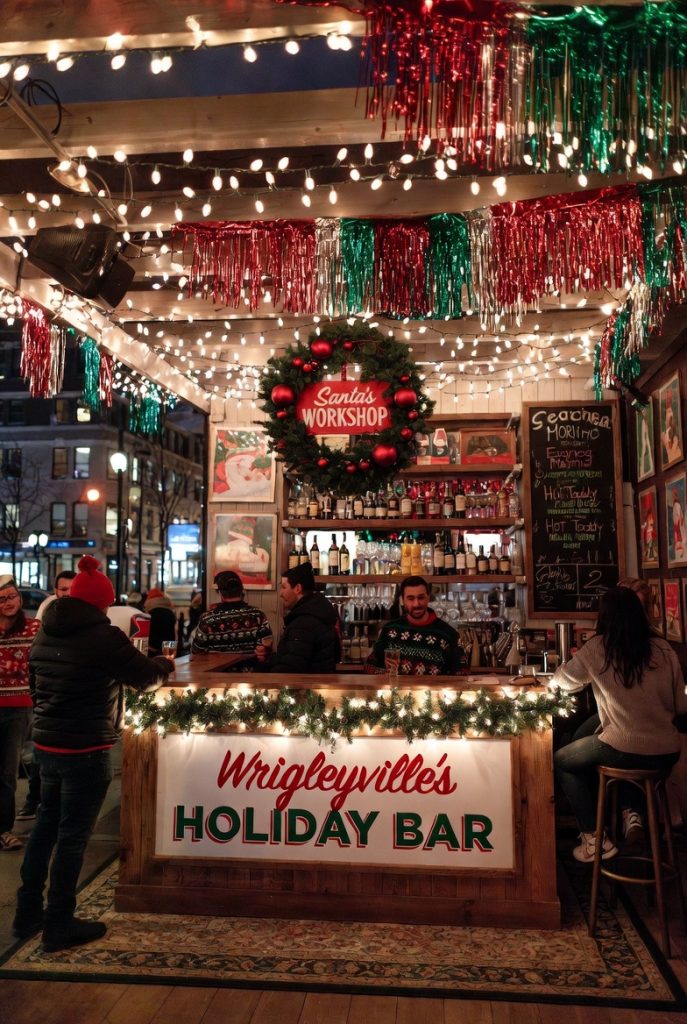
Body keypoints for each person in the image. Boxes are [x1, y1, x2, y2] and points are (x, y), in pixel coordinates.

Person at [13, 555, 172, 951]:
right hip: (87, 747)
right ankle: (59, 924)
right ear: (102, 603)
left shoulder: (45, 631)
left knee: (45, 829)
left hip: (47, 745)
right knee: (72, 837)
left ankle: (27, 912)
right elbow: (147, 679)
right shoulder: (103, 636)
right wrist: (163, 664)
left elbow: (34, 682)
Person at [551, 587, 687, 864]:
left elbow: (561, 683)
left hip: (625, 746)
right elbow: (681, 705)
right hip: (668, 751)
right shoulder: (663, 648)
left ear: (605, 616)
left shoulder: (598, 647)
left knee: (563, 760)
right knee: (587, 738)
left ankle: (594, 839)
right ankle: (629, 814)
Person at [19, 571, 78, 821]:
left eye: (71, 588)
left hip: (72, 693)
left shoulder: (82, 611)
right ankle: (35, 801)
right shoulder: (47, 608)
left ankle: (52, 804)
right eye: (62, 589)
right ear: (55, 590)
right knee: (41, 752)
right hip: (49, 693)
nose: (66, 593)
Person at [0, 576, 41, 851]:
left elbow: (36, 663)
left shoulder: (34, 628)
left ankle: (3, 829)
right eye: (2, 599)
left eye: (12, 596)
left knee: (6, 771)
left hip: (17, 708)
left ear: (20, 599)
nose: (8, 603)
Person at [366, 575, 462, 676]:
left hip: (434, 691)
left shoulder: (448, 634)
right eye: (410, 598)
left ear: (428, 598)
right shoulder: (389, 631)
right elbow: (369, 667)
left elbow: (461, 674)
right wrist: (384, 670)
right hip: (397, 691)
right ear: (403, 600)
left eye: (421, 597)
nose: (416, 604)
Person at [256, 562, 340, 674]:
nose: (280, 593)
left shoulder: (304, 623)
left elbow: (291, 668)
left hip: (307, 689)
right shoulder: (315, 612)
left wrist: (262, 677)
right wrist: (267, 660)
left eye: (284, 587)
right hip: (317, 686)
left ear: (297, 588)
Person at [191, 570, 272, 669]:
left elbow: (196, 652)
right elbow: (265, 650)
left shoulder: (207, 619)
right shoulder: (258, 615)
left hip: (216, 678)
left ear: (220, 593)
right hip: (250, 678)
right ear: (241, 590)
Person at [143, 587, 177, 657]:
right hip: (168, 649)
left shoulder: (149, 614)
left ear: (149, 600)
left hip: (152, 652)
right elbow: (174, 633)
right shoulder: (171, 613)